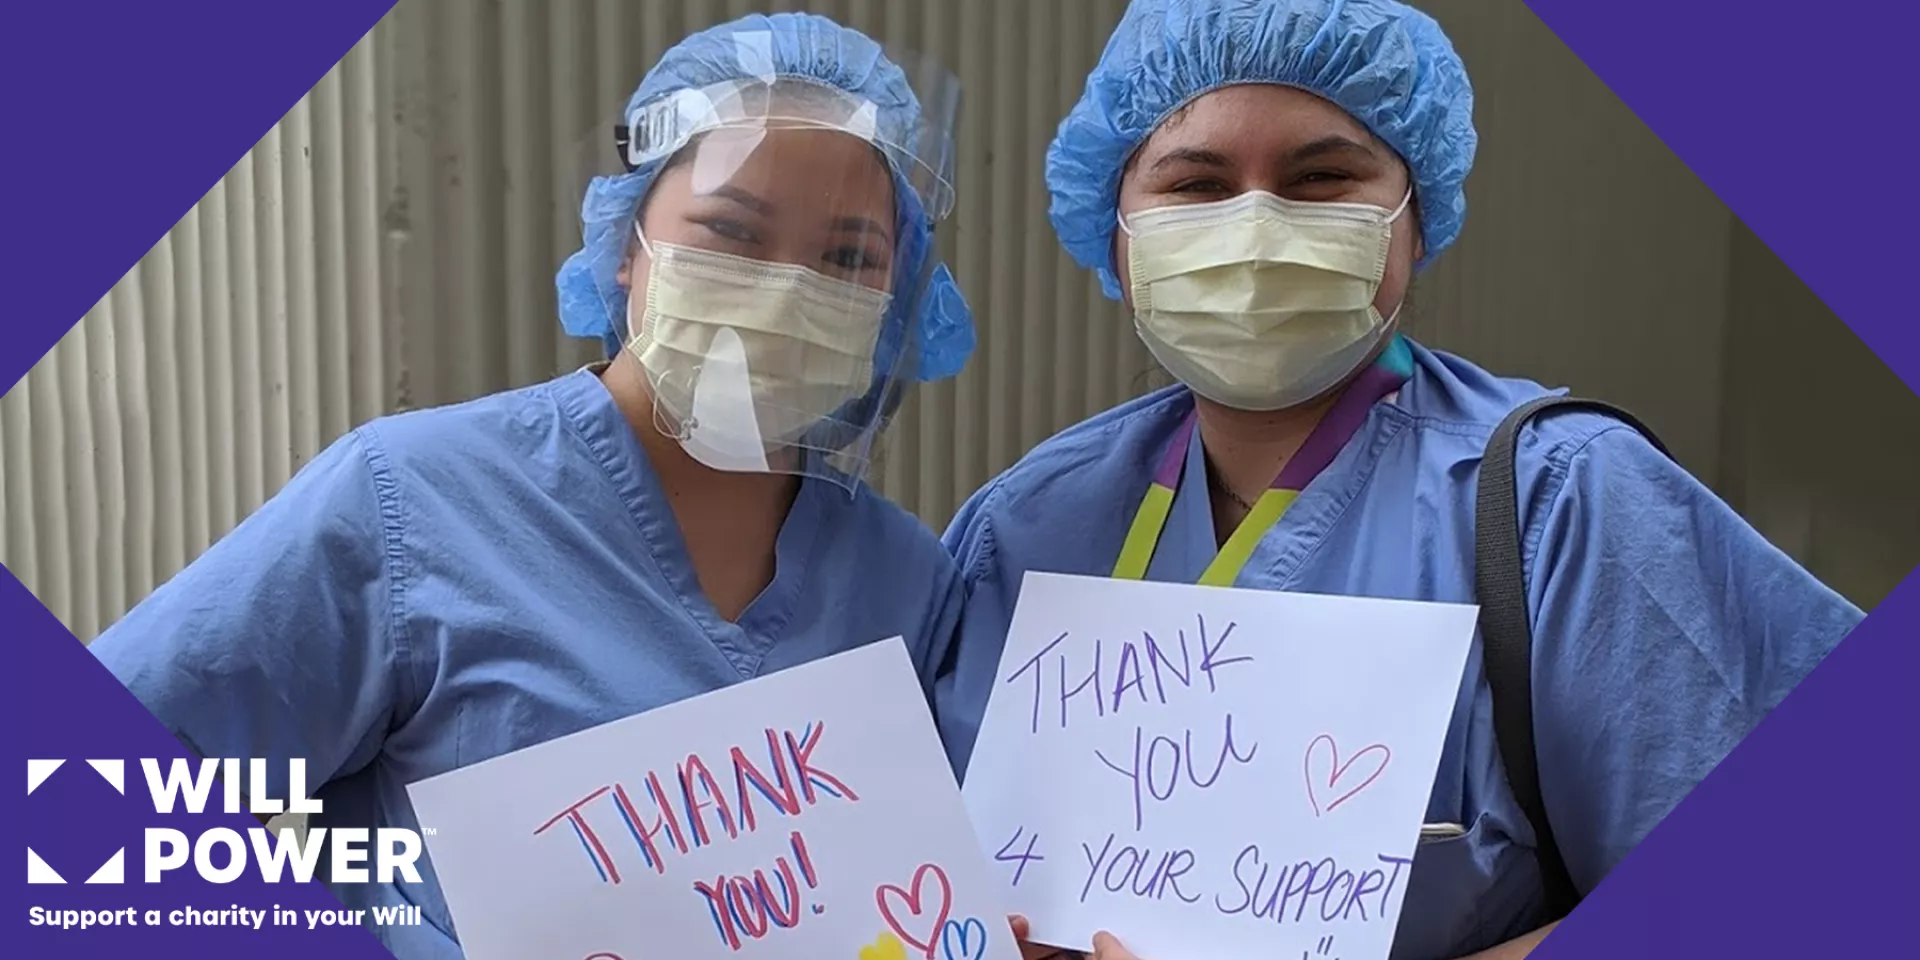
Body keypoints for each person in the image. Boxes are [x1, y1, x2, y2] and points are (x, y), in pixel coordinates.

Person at [934, 2, 1864, 959]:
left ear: (1415, 221)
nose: (1256, 226)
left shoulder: (1560, 502)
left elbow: (1814, 868)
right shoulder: (1023, 527)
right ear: (1118, 233)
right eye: (1198, 184)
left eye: (1322, 177)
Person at [88, 13, 975, 959]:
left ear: (895, 300)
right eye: (731, 231)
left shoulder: (907, 584)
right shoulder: (413, 501)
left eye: (847, 259)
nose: (787, 289)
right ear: (629, 246)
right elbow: (91, 792)